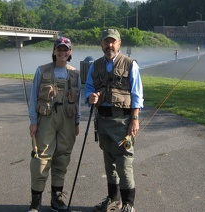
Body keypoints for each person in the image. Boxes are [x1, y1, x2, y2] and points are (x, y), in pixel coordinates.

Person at [85, 29, 144, 212]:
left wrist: (135, 119)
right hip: (102, 121)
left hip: (123, 121)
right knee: (108, 161)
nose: (109, 45)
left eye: (113, 42)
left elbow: (137, 94)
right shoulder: (95, 66)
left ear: (119, 43)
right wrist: (91, 97)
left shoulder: (130, 64)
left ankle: (128, 204)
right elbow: (88, 88)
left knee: (124, 162)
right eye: (106, 42)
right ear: (101, 44)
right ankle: (112, 199)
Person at [27, 37, 81, 212]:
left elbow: (78, 102)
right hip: (46, 120)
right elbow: (33, 98)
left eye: (66, 50)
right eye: (59, 49)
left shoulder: (75, 73)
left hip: (68, 121)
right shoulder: (41, 71)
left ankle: (56, 200)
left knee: (62, 157)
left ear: (70, 52)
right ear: (54, 51)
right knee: (41, 158)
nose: (62, 53)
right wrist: (33, 122)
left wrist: (77, 122)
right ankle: (36, 202)